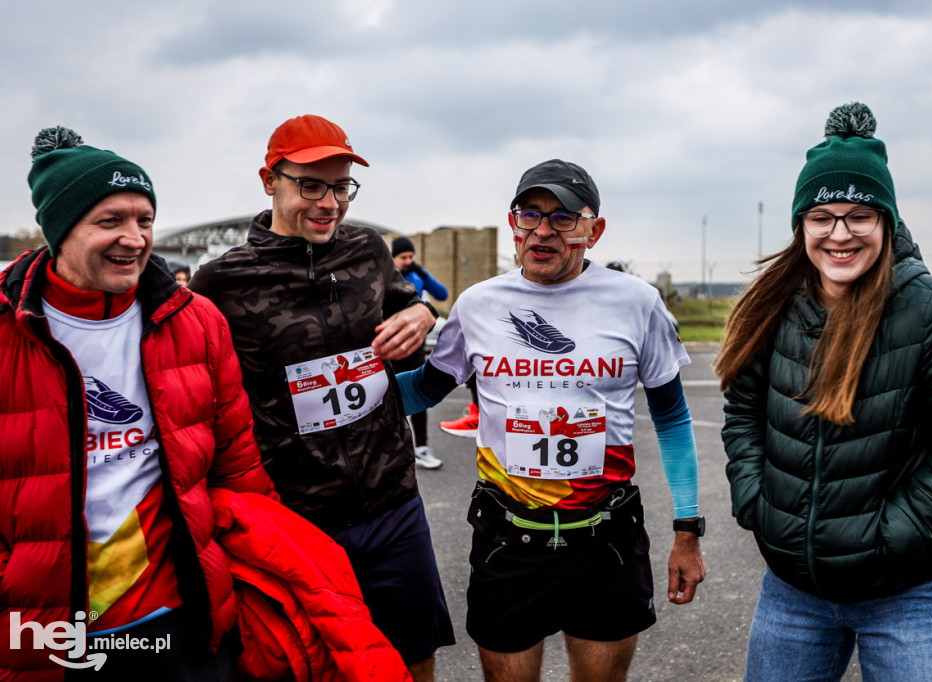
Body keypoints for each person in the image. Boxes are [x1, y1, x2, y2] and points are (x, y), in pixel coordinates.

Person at [714, 103, 932, 681]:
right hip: (792, 590)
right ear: (801, 226)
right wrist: (756, 500)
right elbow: (743, 410)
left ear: (887, 222)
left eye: (858, 215)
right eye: (821, 216)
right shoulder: (774, 305)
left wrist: (887, 540)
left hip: (905, 593)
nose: (839, 233)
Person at [398, 159, 706, 682]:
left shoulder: (637, 302)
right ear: (513, 222)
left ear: (594, 230)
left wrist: (688, 530)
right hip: (507, 538)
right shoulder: (478, 305)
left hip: (605, 539)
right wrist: (341, 383)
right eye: (530, 216)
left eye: (563, 218)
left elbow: (673, 418)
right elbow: (424, 390)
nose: (543, 231)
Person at [0, 126, 277, 679]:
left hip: (177, 616)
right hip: (46, 630)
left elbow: (239, 466)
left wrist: (258, 586)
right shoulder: (9, 332)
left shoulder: (195, 321)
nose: (134, 237)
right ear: (59, 230)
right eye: (110, 221)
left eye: (144, 220)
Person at [189, 114, 454, 681]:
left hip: (394, 502)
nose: (329, 202)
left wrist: (419, 314)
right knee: (316, 668)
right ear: (270, 180)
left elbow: (405, 309)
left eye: (341, 187)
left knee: (413, 660)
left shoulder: (367, 250)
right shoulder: (220, 282)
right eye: (311, 184)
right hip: (299, 519)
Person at [391, 236, 448, 469]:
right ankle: (393, 451)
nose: (408, 260)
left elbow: (442, 295)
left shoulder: (417, 275)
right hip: (391, 348)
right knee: (390, 397)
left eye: (411, 256)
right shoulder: (384, 275)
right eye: (404, 257)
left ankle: (422, 448)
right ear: (393, 258)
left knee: (419, 393)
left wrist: (424, 274)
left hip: (415, 346)